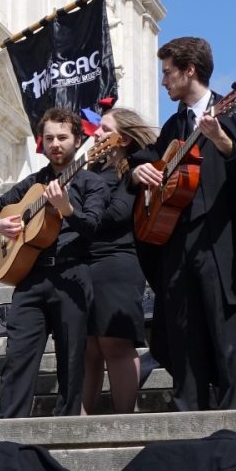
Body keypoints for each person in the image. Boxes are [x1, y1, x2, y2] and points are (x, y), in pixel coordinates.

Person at [133, 37, 236, 411]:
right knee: (181, 328)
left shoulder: (235, 112)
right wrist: (138, 171)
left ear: (189, 70)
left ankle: (234, 413)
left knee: (224, 327)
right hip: (177, 239)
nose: (163, 81)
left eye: (168, 72)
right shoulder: (174, 124)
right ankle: (186, 411)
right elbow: (149, 158)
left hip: (219, 236)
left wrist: (222, 141)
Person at [0, 107, 109, 419]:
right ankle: (8, 430)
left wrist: (67, 209)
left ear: (78, 140)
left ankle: (66, 427)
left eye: (62, 137)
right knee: (17, 358)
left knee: (71, 360)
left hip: (71, 275)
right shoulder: (33, 182)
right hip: (30, 277)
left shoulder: (92, 183)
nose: (55, 144)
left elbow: (92, 228)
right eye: (49, 138)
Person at [81, 107, 158, 417]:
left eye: (104, 128)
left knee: (115, 343)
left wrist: (75, 214)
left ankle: (123, 421)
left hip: (116, 261)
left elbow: (117, 214)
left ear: (123, 138)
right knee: (88, 348)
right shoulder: (91, 170)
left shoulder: (133, 168)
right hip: (85, 260)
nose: (96, 132)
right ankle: (78, 426)